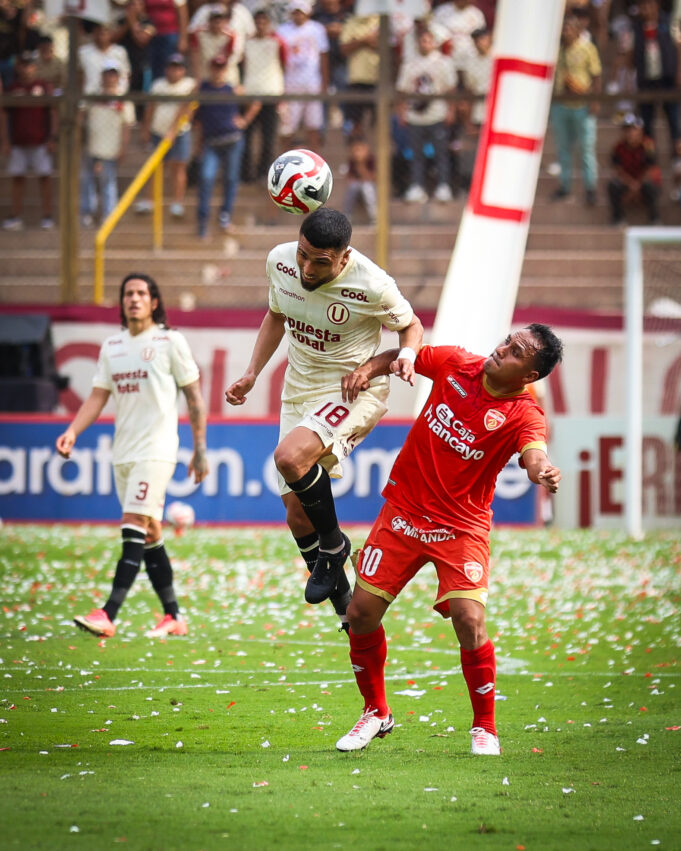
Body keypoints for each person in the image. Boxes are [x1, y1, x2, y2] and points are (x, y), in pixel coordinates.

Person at [334, 323, 563, 754]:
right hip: (403, 511)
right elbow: (405, 354)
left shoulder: (524, 413)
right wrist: (370, 368)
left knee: (469, 619)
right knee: (360, 614)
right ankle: (376, 712)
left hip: (461, 526)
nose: (503, 350)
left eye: (516, 352)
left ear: (529, 375)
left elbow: (533, 453)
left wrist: (542, 470)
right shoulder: (456, 362)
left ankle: (485, 727)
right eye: (507, 341)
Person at [225, 208, 423, 628]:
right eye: (303, 255)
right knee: (297, 514)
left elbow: (412, 326)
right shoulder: (280, 262)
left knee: (290, 458)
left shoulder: (372, 284)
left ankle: (334, 546)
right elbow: (277, 316)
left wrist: (403, 356)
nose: (306, 268)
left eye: (320, 262)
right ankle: (346, 605)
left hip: (351, 388)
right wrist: (251, 372)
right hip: (299, 389)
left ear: (343, 257)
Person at [56, 273, 209, 639]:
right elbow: (97, 396)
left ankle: (108, 613)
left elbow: (194, 398)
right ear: (122, 301)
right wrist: (73, 431)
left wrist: (200, 449)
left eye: (142, 293)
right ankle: (173, 616)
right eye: (128, 293)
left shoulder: (170, 342)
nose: (134, 299)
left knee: (133, 522)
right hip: (122, 452)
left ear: (154, 301)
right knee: (151, 531)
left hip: (156, 450)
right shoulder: (113, 346)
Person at [193, 54, 260, 238]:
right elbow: (192, 112)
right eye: (215, 66)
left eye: (221, 67)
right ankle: (203, 219)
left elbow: (255, 103)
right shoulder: (202, 88)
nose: (218, 71)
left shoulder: (234, 89)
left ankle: (225, 216)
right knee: (206, 179)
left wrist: (244, 120)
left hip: (232, 140)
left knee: (231, 180)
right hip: (211, 142)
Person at [396, 27, 457, 204]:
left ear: (435, 43)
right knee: (416, 155)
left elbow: (451, 89)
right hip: (415, 117)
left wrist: (451, 111)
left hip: (437, 115)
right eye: (423, 41)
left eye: (429, 41)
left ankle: (443, 186)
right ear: (418, 43)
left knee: (441, 154)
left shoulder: (443, 63)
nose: (426, 44)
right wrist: (402, 113)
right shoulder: (410, 64)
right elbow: (402, 91)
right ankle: (416, 186)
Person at [0, 50, 57, 231]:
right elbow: (4, 116)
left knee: (45, 178)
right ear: (18, 67)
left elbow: (54, 113)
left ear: (35, 67)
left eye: (29, 65)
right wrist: (5, 140)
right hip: (18, 142)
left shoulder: (45, 87)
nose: (26, 69)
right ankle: (15, 216)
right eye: (23, 65)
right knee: (17, 178)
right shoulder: (12, 89)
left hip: (41, 141)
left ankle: (47, 217)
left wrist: (52, 137)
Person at [550, 14, 602, 207]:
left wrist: (595, 101)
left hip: (583, 106)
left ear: (577, 29)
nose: (566, 32)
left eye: (569, 28)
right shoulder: (557, 50)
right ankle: (565, 187)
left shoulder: (588, 48)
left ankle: (590, 189)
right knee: (563, 149)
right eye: (563, 29)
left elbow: (597, 76)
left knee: (586, 149)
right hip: (561, 106)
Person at [140, 53, 196, 218]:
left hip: (180, 132)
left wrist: (173, 130)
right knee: (155, 167)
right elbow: (150, 108)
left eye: (178, 68)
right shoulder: (158, 85)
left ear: (184, 70)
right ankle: (149, 201)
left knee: (178, 167)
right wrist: (145, 129)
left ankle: (177, 203)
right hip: (158, 131)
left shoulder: (190, 85)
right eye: (171, 67)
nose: (174, 71)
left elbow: (189, 109)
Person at [80, 63, 135, 226]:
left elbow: (127, 125)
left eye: (113, 74)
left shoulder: (124, 100)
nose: (110, 78)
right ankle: (87, 213)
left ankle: (109, 216)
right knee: (87, 181)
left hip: (110, 149)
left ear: (118, 77)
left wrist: (123, 147)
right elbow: (81, 116)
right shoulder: (92, 96)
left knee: (107, 182)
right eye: (107, 74)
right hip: (91, 146)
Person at [241, 8, 287, 183]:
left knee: (268, 138)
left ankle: (264, 174)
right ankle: (246, 174)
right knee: (247, 138)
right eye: (257, 22)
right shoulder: (247, 43)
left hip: (270, 94)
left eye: (263, 21)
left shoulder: (277, 42)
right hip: (250, 95)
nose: (260, 25)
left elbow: (284, 64)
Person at [277, 0, 329, 152]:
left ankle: (315, 163)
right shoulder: (283, 30)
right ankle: (284, 161)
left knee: (313, 126)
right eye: (295, 12)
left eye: (301, 12)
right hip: (290, 85)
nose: (298, 15)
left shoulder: (317, 29)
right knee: (287, 128)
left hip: (312, 84)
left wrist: (324, 83)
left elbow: (324, 57)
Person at [607, 112, 661, 225]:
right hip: (628, 183)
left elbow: (650, 169)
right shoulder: (618, 147)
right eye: (627, 130)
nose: (630, 133)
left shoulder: (648, 145)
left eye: (633, 129)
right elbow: (618, 170)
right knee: (613, 185)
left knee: (651, 185)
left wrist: (637, 186)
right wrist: (632, 185)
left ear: (640, 130)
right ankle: (617, 219)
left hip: (643, 183)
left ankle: (655, 219)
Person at [342, 133, 377, 223]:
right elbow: (349, 177)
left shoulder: (371, 159)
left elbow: (371, 178)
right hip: (357, 185)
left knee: (367, 188)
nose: (357, 152)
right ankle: (347, 216)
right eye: (355, 150)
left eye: (360, 149)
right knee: (352, 187)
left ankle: (374, 218)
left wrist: (361, 164)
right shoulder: (352, 160)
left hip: (369, 184)